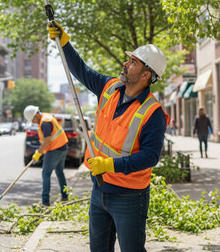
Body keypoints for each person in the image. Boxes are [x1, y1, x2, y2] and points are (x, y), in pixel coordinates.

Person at [48, 21, 169, 252]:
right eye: (128, 59)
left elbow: (150, 157)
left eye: (133, 62)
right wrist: (64, 43)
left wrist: (109, 164)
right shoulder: (110, 87)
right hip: (99, 190)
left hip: (130, 197)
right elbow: (81, 70)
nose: (125, 63)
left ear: (146, 75)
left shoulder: (153, 113)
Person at [23, 105, 69, 206]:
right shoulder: (46, 117)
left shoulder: (45, 123)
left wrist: (38, 152)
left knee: (45, 174)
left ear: (36, 115)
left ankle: (45, 202)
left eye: (32, 120)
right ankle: (65, 196)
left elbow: (47, 140)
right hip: (63, 147)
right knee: (60, 172)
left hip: (54, 150)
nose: (33, 122)